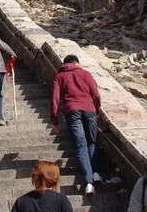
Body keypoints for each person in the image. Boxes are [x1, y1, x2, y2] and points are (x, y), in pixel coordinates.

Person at [51, 54, 102, 195]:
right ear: (77, 64)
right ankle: (96, 172)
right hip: (90, 110)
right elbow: (96, 95)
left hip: (72, 111)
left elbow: (55, 99)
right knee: (92, 142)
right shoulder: (85, 73)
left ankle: (89, 182)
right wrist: (96, 110)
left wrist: (54, 120)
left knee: (81, 146)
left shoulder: (59, 76)